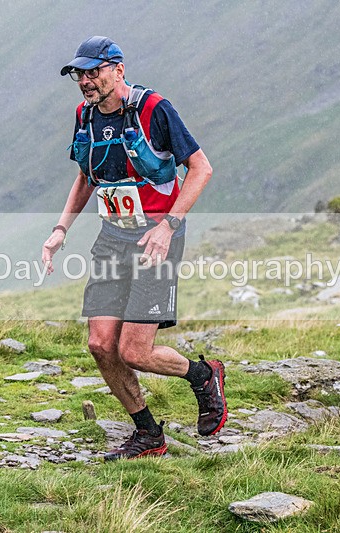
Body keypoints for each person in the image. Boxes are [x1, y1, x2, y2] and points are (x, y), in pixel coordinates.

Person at [42, 36, 226, 461]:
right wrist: (60, 229)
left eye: (94, 72)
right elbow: (87, 177)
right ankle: (148, 433)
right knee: (101, 344)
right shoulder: (84, 116)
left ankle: (203, 374)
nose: (86, 81)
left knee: (135, 351)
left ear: (118, 71)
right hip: (112, 237)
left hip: (155, 240)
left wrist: (168, 226)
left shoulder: (154, 109)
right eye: (80, 75)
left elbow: (201, 168)